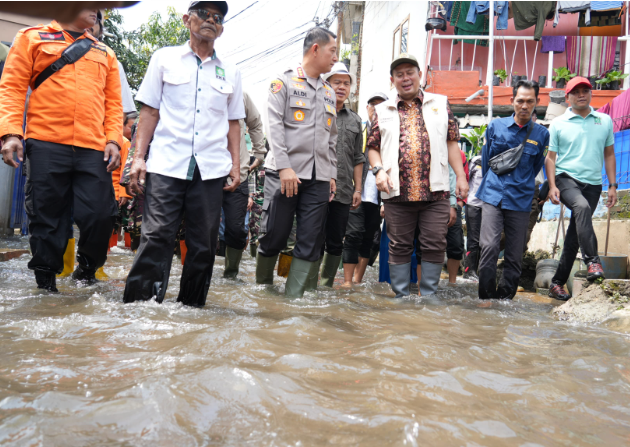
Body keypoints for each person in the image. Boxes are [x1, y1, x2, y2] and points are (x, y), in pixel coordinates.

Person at [123, 1, 244, 307]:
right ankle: (141, 309)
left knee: (204, 245)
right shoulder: (164, 58)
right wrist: (139, 158)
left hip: (210, 169)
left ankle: (192, 310)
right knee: (156, 238)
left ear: (222, 29)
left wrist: (236, 165)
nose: (210, 20)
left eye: (217, 17)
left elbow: (233, 124)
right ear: (187, 19)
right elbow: (149, 112)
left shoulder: (230, 71)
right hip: (166, 163)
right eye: (204, 13)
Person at [0, 9, 123, 291]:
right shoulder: (32, 37)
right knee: (46, 216)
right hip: (45, 142)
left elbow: (113, 104)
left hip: (94, 148)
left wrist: (114, 140)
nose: (95, 9)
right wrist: (10, 133)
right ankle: (46, 284)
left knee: (101, 215)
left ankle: (87, 270)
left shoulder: (105, 52)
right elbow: (12, 88)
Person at [367, 53, 468, 298]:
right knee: (399, 245)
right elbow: (372, 147)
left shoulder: (440, 104)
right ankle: (401, 296)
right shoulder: (382, 110)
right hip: (397, 193)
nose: (405, 78)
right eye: (399, 74)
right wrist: (378, 171)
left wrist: (461, 177)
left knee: (434, 243)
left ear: (420, 75)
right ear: (393, 80)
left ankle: (429, 296)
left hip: (435, 192)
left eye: (410, 72)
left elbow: (452, 142)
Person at [256, 27, 338, 298]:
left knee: (310, 239)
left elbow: (332, 138)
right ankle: (264, 291)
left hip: (318, 178)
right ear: (315, 49)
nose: (335, 58)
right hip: (284, 172)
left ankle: (292, 302)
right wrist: (284, 167)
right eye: (332, 51)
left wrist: (332, 174)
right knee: (275, 235)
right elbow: (274, 127)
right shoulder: (284, 82)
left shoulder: (329, 92)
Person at [476, 80, 549, 300]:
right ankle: (486, 298)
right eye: (520, 101)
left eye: (530, 101)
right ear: (512, 101)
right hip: (493, 194)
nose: (524, 106)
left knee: (515, 255)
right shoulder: (495, 126)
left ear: (537, 102)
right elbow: (487, 161)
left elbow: (536, 166)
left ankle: (505, 301)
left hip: (521, 199)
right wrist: (493, 184)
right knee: (488, 246)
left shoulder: (541, 134)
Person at [546, 77, 617, 300]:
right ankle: (593, 262)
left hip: (594, 183)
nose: (581, 94)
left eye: (585, 90)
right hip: (566, 178)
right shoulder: (558, 123)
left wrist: (613, 185)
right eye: (575, 92)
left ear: (590, 94)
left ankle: (557, 283)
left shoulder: (604, 121)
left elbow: (609, 154)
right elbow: (550, 158)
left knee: (574, 237)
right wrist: (551, 186)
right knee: (582, 206)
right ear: (567, 97)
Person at [318, 62, 363, 287]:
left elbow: (358, 157)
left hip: (344, 191)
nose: (342, 87)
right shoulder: (317, 110)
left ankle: (325, 285)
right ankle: (304, 283)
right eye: (337, 82)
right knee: (310, 237)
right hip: (315, 186)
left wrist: (358, 189)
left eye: (346, 83)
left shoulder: (355, 120)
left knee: (336, 241)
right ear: (326, 84)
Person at [342, 92, 387, 286]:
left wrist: (386, 200)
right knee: (352, 235)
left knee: (369, 237)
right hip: (356, 191)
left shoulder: (390, 135)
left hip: (378, 195)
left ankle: (358, 280)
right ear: (367, 109)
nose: (376, 110)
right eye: (373, 105)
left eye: (381, 106)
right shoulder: (359, 130)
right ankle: (347, 281)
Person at [221, 90, 265, 279]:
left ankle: (230, 275)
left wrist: (259, 153)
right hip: (205, 171)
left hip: (238, 173)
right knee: (201, 225)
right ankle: (199, 271)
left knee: (237, 228)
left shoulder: (241, 95)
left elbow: (255, 122)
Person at [464, 153, 482, 280]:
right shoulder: (476, 161)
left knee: (485, 241)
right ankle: (469, 271)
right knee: (473, 239)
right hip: (473, 204)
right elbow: (465, 179)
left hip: (489, 206)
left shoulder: (498, 161)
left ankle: (479, 270)